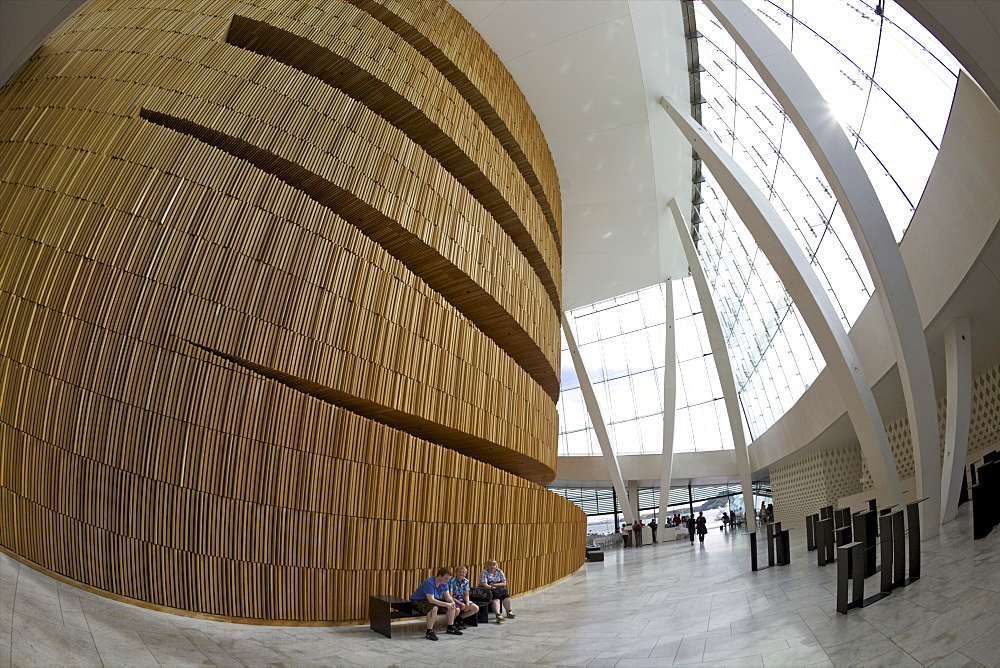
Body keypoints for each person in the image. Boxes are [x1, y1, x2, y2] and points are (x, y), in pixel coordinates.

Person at [410, 567, 462, 641]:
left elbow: (447, 596)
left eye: (448, 579)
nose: (447, 581)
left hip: (433, 600)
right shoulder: (429, 583)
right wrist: (447, 604)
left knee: (451, 606)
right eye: (446, 578)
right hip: (419, 600)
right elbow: (431, 600)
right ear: (440, 576)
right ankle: (429, 631)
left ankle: (450, 627)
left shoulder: (444, 583)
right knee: (433, 608)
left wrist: (452, 603)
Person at [447, 566, 479, 630]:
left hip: (462, 599)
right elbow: (450, 596)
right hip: (454, 599)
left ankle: (459, 619)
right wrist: (461, 604)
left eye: (463, 572)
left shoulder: (466, 581)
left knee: (475, 608)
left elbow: (466, 594)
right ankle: (452, 623)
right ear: (456, 573)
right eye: (459, 572)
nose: (461, 573)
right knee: (457, 609)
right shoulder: (451, 581)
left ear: (465, 574)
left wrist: (467, 603)